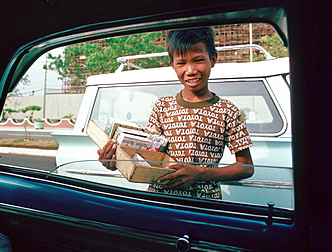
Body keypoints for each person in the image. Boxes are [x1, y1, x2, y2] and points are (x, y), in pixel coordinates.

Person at [98, 27, 253, 199]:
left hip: (206, 207)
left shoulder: (228, 111)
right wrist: (117, 161)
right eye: (181, 63)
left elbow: (246, 167)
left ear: (213, 59)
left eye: (198, 60)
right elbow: (150, 154)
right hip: (161, 202)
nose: (191, 70)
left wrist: (201, 173)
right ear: (172, 64)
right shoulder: (162, 106)